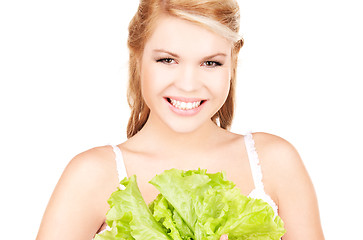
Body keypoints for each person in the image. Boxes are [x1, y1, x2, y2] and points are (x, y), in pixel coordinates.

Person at [36, 0, 324, 239]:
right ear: (137, 56)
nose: (188, 85)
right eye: (167, 60)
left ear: (232, 62)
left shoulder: (276, 162)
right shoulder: (90, 175)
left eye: (210, 63)